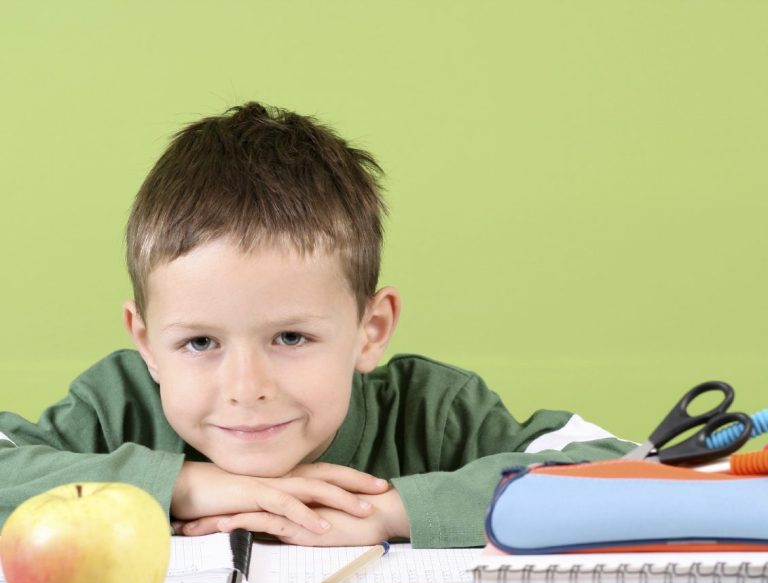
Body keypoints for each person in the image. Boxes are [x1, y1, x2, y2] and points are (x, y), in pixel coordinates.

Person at [0, 102, 633, 547]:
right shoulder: (119, 408)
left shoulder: (433, 414)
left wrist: (391, 512)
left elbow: (621, 467)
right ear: (147, 343)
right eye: (199, 342)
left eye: (291, 337)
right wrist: (182, 487)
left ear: (371, 329)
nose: (246, 387)